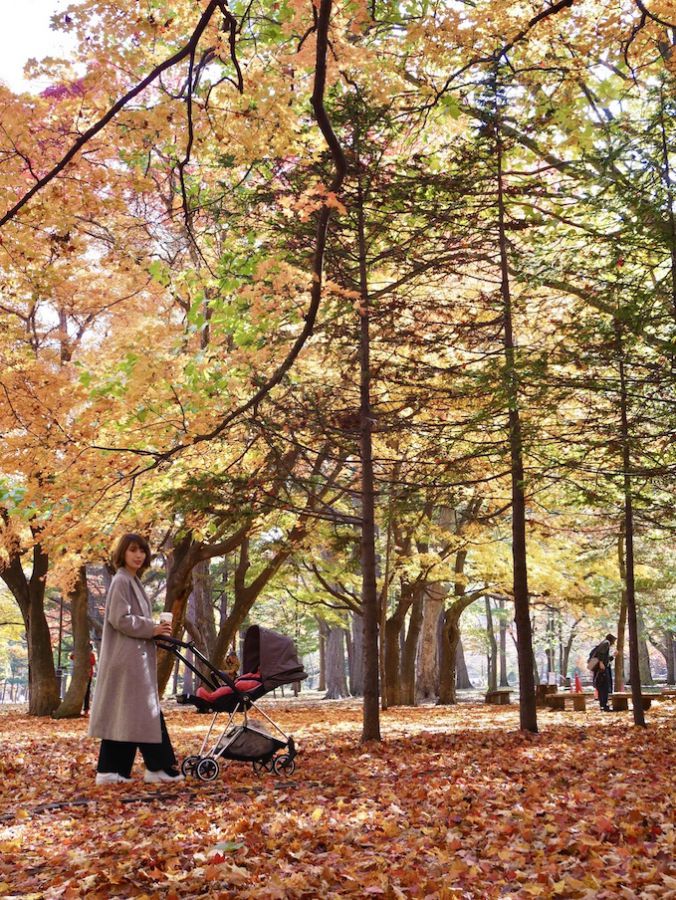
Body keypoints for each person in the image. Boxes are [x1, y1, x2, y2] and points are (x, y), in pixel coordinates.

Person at [88, 533, 184, 785]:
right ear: (123, 553)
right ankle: (158, 767)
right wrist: (151, 628)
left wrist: (155, 630)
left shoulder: (131, 580)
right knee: (145, 713)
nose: (139, 555)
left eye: (142, 550)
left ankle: (111, 771)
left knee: (127, 714)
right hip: (128, 660)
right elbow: (120, 619)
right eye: (133, 550)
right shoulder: (122, 580)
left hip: (132, 658)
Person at [591, 633, 616, 712]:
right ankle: (604, 705)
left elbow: (606, 658)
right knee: (604, 687)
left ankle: (603, 705)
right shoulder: (606, 643)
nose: (614, 643)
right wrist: (601, 663)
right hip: (601, 669)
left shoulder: (604, 644)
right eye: (614, 640)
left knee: (602, 687)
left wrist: (613, 656)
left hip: (600, 668)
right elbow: (600, 654)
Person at [70, 643, 96, 715]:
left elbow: (92, 662)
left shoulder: (91, 655)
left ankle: (86, 708)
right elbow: (72, 657)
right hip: (79, 675)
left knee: (87, 692)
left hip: (88, 675)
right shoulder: (80, 654)